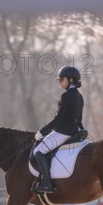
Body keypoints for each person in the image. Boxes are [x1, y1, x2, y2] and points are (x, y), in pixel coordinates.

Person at [33, 65, 84, 194]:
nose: (60, 82)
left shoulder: (66, 96)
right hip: (74, 131)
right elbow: (80, 119)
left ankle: (47, 184)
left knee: (39, 151)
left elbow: (59, 119)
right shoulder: (80, 97)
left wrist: (42, 131)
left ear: (70, 80)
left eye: (62, 79)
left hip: (64, 132)